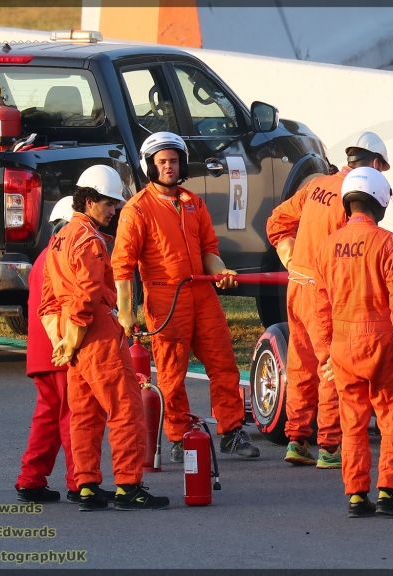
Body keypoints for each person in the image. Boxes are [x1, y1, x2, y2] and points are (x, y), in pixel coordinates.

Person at [112, 132, 260, 464]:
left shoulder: (194, 202)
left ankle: (232, 431)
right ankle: (178, 436)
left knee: (224, 365)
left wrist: (221, 271)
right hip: (166, 298)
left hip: (203, 293)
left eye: (174, 161)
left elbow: (210, 249)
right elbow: (121, 266)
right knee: (171, 372)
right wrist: (126, 312)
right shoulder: (137, 210)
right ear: (150, 165)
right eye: (162, 162)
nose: (168, 167)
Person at [38, 181, 169, 511]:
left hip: (75, 339)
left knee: (83, 416)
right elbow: (89, 294)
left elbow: (48, 300)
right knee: (125, 409)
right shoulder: (90, 240)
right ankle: (128, 486)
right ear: (89, 200)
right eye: (108, 203)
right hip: (96, 335)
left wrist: (64, 341)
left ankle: (87, 487)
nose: (114, 210)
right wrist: (74, 338)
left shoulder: (58, 239)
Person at [266, 132, 391, 469]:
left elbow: (277, 222)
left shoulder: (316, 185)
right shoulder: (355, 196)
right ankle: (330, 446)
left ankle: (296, 439)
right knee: (331, 367)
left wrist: (287, 251)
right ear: (375, 164)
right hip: (325, 293)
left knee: (300, 364)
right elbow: (352, 253)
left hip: (297, 288)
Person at [312, 167, 393, 518]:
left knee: (353, 424)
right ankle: (390, 492)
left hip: (343, 345)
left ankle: (356, 495)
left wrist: (324, 352)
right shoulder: (389, 243)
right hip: (382, 341)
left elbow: (320, 305)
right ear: (381, 200)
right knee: (392, 420)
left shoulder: (327, 246)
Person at [15, 195, 78, 504]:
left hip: (41, 352)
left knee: (47, 417)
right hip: (63, 347)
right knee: (74, 417)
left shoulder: (43, 256)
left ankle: (30, 479)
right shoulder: (68, 252)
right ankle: (81, 481)